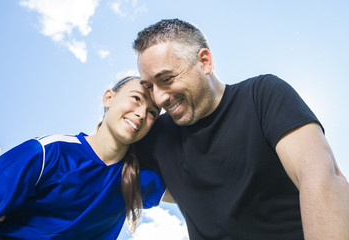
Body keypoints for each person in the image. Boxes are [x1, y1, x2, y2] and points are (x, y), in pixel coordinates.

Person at [132, 18, 349, 239]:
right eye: (149, 87)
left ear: (205, 62)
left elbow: (319, 174)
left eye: (167, 79)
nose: (159, 98)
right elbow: (105, 166)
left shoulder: (262, 95)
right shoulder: (156, 135)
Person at [0, 76, 165, 239]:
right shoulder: (49, 152)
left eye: (152, 113)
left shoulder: (137, 179)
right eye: (136, 98)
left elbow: (189, 189)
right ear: (108, 98)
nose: (142, 114)